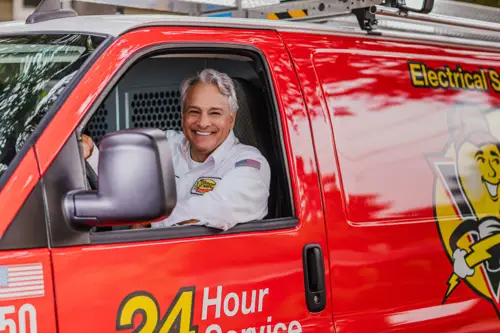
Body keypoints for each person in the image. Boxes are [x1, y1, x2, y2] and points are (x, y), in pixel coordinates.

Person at [83, 69, 271, 231]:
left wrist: (151, 223)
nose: (203, 123)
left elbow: (215, 209)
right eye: (194, 111)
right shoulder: (167, 144)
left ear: (231, 119)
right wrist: (90, 153)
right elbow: (123, 178)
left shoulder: (249, 164)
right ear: (182, 116)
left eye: (215, 113)